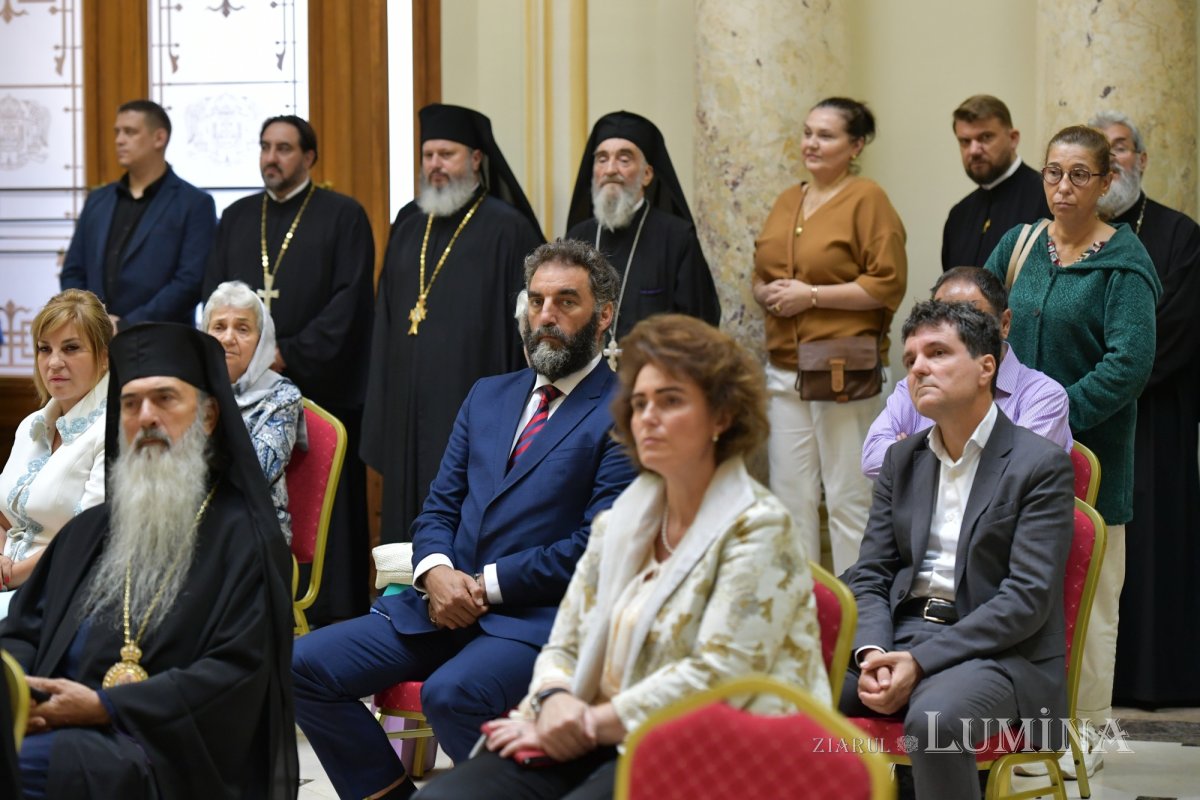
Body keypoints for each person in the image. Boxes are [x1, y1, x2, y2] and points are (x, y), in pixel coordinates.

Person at [417, 314, 830, 800]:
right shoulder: (621, 521)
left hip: (716, 747)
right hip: (597, 731)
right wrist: (552, 698)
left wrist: (587, 723)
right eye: (639, 403)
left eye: (670, 400)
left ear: (722, 416)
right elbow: (565, 638)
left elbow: (718, 676)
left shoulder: (758, 526)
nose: (648, 416)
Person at [293, 240, 636, 800]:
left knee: (451, 694)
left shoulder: (625, 409)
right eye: (537, 300)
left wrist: (483, 585)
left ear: (603, 316)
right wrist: (434, 572)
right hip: (440, 607)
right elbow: (439, 507)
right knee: (302, 664)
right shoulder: (488, 397)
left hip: (537, 618)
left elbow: (595, 545)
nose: (546, 315)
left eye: (566, 301)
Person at [1, 323, 296, 799]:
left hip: (164, 750)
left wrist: (107, 706)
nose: (146, 417)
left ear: (207, 416)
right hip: (52, 723)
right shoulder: (87, 532)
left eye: (165, 399)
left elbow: (239, 674)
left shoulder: (247, 539)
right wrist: (20, 696)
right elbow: (21, 632)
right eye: (130, 404)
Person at [839, 300, 1076, 800]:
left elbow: (1026, 599)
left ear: (986, 367)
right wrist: (874, 652)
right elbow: (871, 573)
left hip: (997, 652)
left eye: (937, 353)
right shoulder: (901, 460)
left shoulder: (1039, 464)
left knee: (935, 721)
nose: (918, 368)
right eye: (910, 359)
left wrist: (919, 661)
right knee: (781, 688)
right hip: (900, 633)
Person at [985, 125, 1160, 778]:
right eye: (1053, 173)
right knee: (1017, 596)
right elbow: (980, 325)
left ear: (1107, 181)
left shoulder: (1125, 263)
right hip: (1007, 456)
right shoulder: (1019, 244)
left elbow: (1129, 364)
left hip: (1092, 461)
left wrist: (1055, 418)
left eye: (1079, 175)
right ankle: (1023, 732)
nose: (1063, 187)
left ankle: (1085, 735)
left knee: (1091, 602)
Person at [205, 114, 375, 622]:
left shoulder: (343, 216)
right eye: (265, 147)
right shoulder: (237, 217)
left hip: (325, 382)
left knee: (329, 512)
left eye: (283, 148)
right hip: (241, 385)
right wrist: (242, 354)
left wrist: (286, 354)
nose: (271, 158)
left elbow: (351, 302)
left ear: (309, 157)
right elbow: (213, 296)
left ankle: (334, 615)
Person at [363, 103, 545, 545]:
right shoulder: (408, 223)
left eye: (447, 154)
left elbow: (527, 330)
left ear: (476, 159)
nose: (435, 165)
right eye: (428, 155)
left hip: (471, 402)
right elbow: (385, 318)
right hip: (406, 406)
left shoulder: (508, 229)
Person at [752, 96, 907, 573]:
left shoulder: (868, 198)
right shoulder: (788, 199)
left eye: (826, 135)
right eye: (807, 133)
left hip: (843, 370)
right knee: (790, 498)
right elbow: (761, 272)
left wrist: (813, 296)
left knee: (847, 497)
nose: (811, 144)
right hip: (784, 368)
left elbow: (886, 285)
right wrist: (764, 292)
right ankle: (803, 607)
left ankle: (857, 611)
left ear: (855, 146)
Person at [1088, 111, 1200, 708]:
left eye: (1121, 148)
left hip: (1155, 418)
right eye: (1100, 151)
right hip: (1085, 419)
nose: (1112, 159)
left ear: (1142, 160)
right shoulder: (1065, 236)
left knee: (1153, 549)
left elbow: (1177, 329)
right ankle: (1089, 684)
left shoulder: (1181, 235)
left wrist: (1109, 377)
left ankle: (1151, 678)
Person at [861, 266, 1070, 479]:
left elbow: (1013, 478)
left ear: (1004, 324)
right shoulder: (918, 382)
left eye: (970, 319)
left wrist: (909, 454)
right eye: (941, 319)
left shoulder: (1043, 396)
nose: (953, 332)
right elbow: (871, 458)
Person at [564, 111, 720, 364]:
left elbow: (698, 326)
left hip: (655, 378)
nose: (610, 169)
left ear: (647, 174)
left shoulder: (678, 238)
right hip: (585, 379)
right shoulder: (577, 237)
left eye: (624, 159)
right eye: (602, 159)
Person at [0, 290, 111, 618]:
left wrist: (12, 575)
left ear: (104, 356)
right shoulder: (31, 425)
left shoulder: (113, 430)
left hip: (61, 595)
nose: (54, 362)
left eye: (71, 348)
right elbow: (2, 515)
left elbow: (89, 540)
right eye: (44, 349)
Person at [60, 100, 215, 329]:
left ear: (159, 138)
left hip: (162, 338)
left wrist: (127, 325)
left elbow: (190, 282)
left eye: (130, 132)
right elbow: (73, 270)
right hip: (95, 337)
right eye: (117, 132)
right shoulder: (98, 200)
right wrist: (91, 320)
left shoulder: (194, 203)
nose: (119, 140)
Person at [202, 280, 304, 545]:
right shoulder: (189, 390)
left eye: (242, 328)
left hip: (255, 531)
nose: (228, 338)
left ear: (261, 341)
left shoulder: (283, 396)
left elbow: (254, 474)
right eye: (219, 327)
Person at [941, 95, 1049, 270]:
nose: (974, 151)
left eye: (985, 137)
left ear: (1013, 139)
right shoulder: (958, 216)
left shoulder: (1049, 198)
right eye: (965, 141)